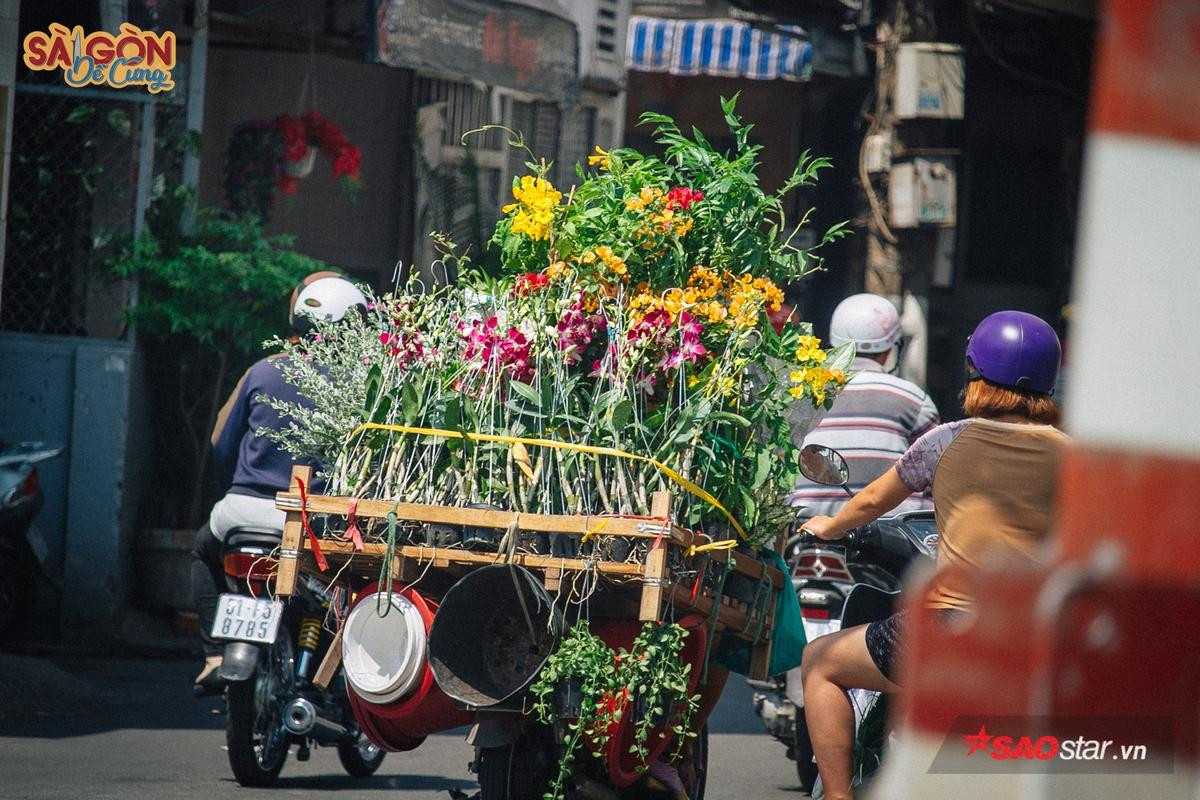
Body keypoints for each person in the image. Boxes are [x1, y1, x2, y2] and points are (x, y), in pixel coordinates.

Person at [797, 310, 1066, 800]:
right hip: (1035, 639)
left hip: (950, 632)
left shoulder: (947, 440)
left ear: (975, 376)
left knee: (819, 662)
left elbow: (875, 499)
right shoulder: (1075, 456)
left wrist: (830, 525)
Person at [190, 272, 367, 692]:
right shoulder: (358, 385)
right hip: (309, 522)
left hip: (241, 511)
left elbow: (221, 443)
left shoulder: (262, 370)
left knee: (201, 551)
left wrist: (234, 489)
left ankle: (214, 654)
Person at [790, 294, 939, 517]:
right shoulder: (914, 400)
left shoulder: (803, 394)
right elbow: (935, 475)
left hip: (807, 527)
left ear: (833, 343)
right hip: (892, 534)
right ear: (890, 349)